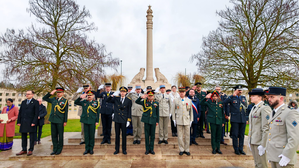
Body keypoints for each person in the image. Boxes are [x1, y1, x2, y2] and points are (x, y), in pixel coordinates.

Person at [266, 87, 299, 168]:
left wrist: (287, 155)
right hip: (274, 156)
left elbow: (294, 137)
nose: (269, 99)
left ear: (281, 98)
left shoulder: (290, 113)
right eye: (268, 97)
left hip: (284, 158)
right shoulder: (273, 112)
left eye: (272, 97)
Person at [247, 88, 271, 168]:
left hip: (259, 142)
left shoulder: (264, 108)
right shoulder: (254, 108)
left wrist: (263, 145)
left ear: (260, 97)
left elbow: (266, 128)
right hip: (254, 140)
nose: (251, 97)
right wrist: (250, 140)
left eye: (253, 96)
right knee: (257, 164)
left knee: (261, 165)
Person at [223, 85, 248, 155]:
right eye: (238, 90)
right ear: (235, 90)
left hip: (242, 119)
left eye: (241, 90)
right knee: (235, 135)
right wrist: (232, 96)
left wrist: (246, 118)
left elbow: (246, 108)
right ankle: (236, 149)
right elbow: (224, 102)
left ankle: (241, 148)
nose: (240, 91)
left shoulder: (243, 98)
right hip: (235, 119)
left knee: (242, 135)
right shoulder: (231, 97)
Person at [43, 87, 68, 155]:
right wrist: (50, 94)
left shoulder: (65, 101)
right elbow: (44, 98)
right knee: (54, 135)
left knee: (60, 135)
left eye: (60, 93)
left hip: (60, 120)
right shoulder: (53, 99)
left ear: (62, 93)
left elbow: (66, 112)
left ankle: (59, 149)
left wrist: (65, 121)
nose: (58, 94)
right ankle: (55, 149)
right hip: (53, 119)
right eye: (57, 93)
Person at [107, 86, 132, 155]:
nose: (122, 93)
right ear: (120, 92)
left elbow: (129, 111)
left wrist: (128, 120)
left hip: (124, 120)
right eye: (121, 92)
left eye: (124, 92)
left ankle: (124, 149)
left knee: (124, 136)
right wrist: (112, 95)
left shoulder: (128, 100)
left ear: (126, 93)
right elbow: (107, 100)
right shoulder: (116, 99)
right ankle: (117, 149)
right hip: (117, 119)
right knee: (117, 135)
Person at [75, 90, 100, 155]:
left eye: (90, 95)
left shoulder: (96, 103)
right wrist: (81, 97)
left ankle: (91, 149)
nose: (89, 96)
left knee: (91, 135)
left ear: (93, 96)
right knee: (86, 136)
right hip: (85, 120)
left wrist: (97, 121)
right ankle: (86, 149)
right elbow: (76, 102)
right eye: (88, 95)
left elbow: (98, 112)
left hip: (92, 121)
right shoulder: (84, 102)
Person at [135, 90, 159, 155]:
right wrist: (141, 97)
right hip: (146, 120)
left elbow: (157, 113)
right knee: (146, 135)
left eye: (152, 96)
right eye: (149, 96)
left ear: (153, 96)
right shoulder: (144, 102)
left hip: (153, 120)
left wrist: (157, 121)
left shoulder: (156, 103)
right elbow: (136, 102)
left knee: (153, 136)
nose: (150, 97)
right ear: (147, 96)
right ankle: (147, 149)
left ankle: (152, 149)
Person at [16, 90, 39, 156]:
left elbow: (36, 113)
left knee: (31, 137)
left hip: (31, 122)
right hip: (23, 122)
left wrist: (34, 122)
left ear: (32, 95)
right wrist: (19, 121)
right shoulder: (23, 102)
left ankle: (30, 149)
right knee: (23, 136)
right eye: (26, 94)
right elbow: (20, 112)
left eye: (28, 94)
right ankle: (24, 149)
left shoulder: (35, 102)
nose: (27, 95)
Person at [172, 87, 193, 156]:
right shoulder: (176, 100)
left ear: (185, 93)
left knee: (187, 135)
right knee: (180, 136)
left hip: (187, 120)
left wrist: (191, 120)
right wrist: (174, 119)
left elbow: (191, 111)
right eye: (180, 92)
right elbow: (173, 110)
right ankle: (181, 149)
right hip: (179, 119)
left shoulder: (189, 100)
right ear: (179, 93)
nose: (182, 93)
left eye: (183, 92)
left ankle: (187, 149)